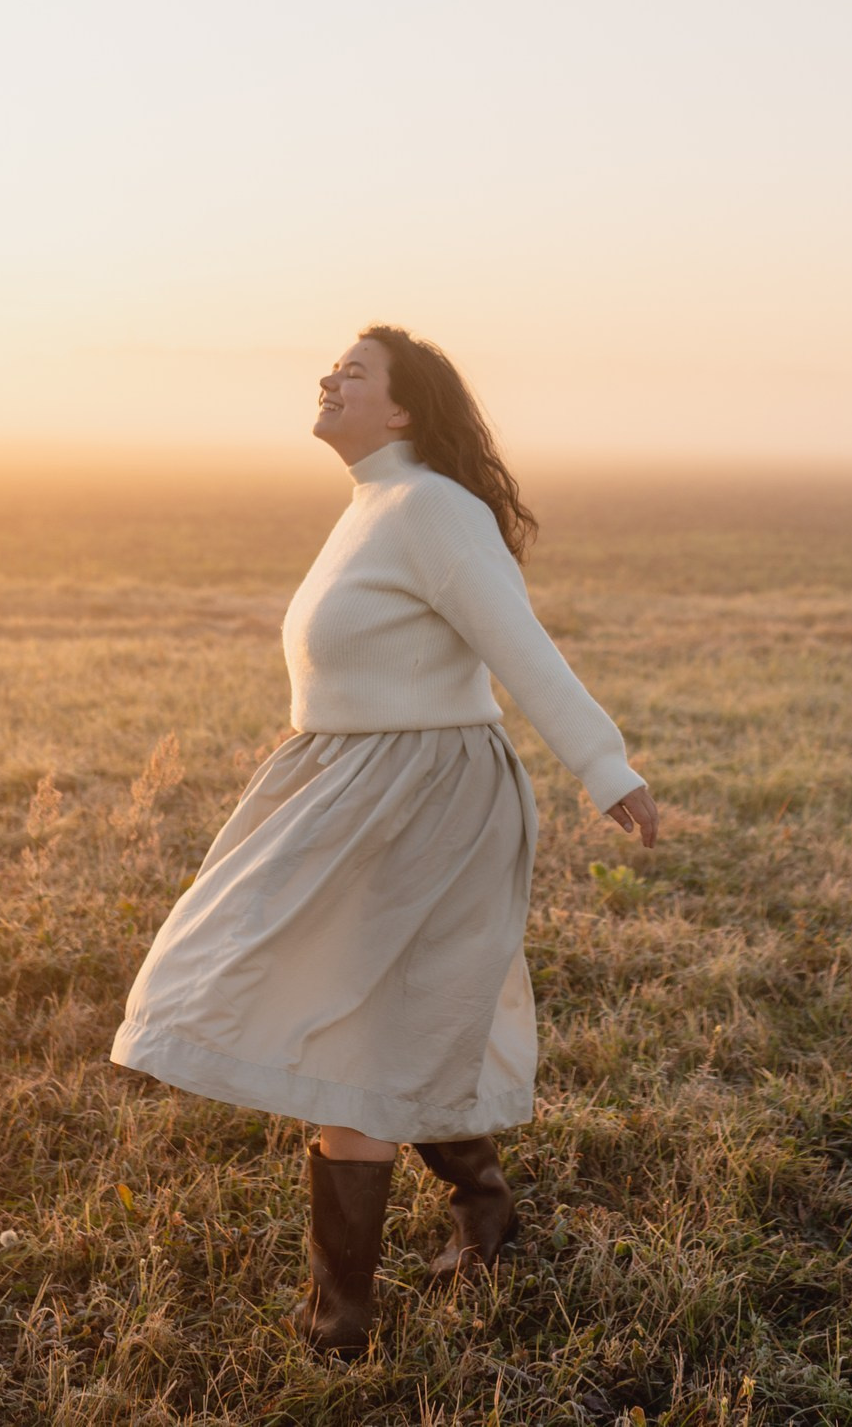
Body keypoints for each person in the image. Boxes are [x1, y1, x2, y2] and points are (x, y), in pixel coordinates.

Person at [110, 325, 661, 1355]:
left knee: (354, 1021)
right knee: (374, 1010)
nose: (330, 377)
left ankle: (338, 1321)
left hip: (428, 792)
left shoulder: (433, 511)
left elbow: (521, 650)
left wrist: (606, 767)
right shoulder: (374, 502)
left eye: (354, 372)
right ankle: (482, 1207)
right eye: (335, 367)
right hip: (352, 780)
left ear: (402, 409)